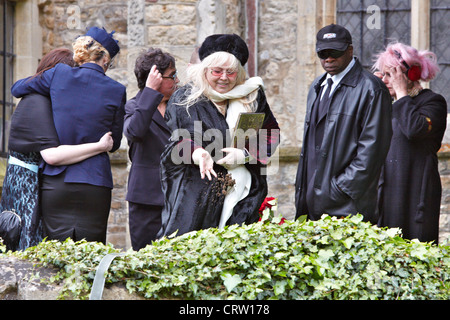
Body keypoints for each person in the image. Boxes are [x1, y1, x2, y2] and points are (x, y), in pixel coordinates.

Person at [157, 34, 280, 238]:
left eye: (231, 72)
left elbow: (271, 134)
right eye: (217, 71)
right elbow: (180, 139)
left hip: (243, 193)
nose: (224, 78)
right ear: (205, 70)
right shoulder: (186, 97)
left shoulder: (252, 96)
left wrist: (244, 155)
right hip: (196, 192)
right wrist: (198, 154)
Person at [11, 27, 126, 244]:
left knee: (56, 254)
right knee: (91, 255)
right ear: (105, 60)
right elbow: (114, 143)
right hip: (95, 182)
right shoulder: (116, 89)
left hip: (57, 180)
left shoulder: (58, 74)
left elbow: (18, 89)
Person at [294, 24, 392, 223]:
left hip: (347, 206)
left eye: (335, 52)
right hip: (310, 201)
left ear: (350, 50)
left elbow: (372, 151)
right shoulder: (317, 86)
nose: (328, 58)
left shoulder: (372, 89)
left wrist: (340, 189)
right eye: (323, 53)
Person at [373, 42, 446, 243]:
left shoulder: (433, 102)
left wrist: (402, 92)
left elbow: (415, 129)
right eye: (384, 75)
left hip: (415, 196)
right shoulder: (387, 106)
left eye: (391, 75)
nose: (386, 80)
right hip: (385, 196)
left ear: (411, 75)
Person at [124, 48, 179, 250]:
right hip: (146, 199)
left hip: (179, 194)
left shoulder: (181, 105)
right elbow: (135, 132)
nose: (177, 80)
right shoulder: (134, 106)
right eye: (172, 76)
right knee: (144, 257)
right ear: (154, 78)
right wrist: (150, 93)